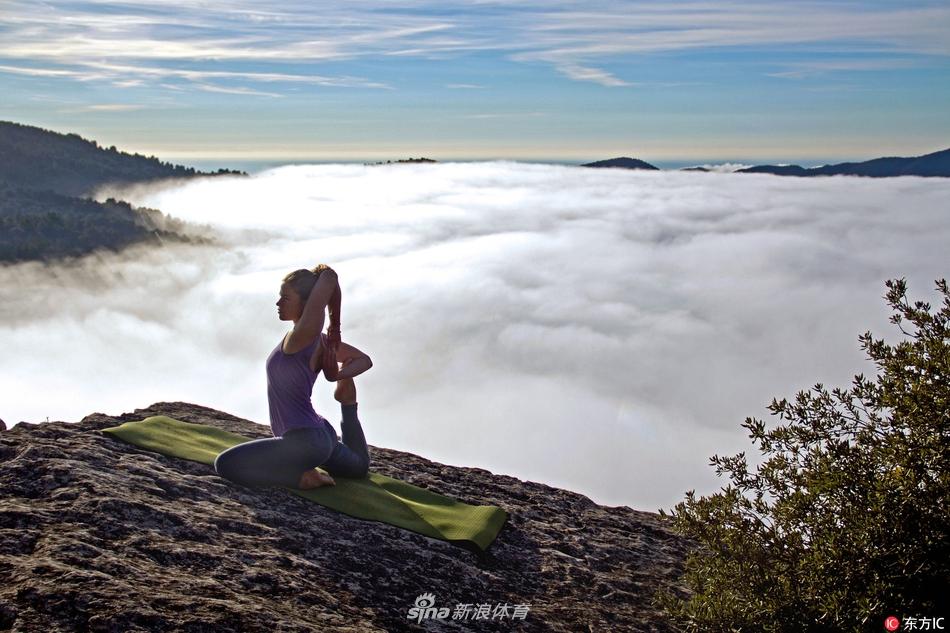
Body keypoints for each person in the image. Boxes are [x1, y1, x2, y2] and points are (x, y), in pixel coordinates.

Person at [214, 265, 373, 491]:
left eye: (285, 298)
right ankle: (348, 405)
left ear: (307, 305)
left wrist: (335, 362)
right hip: (321, 435)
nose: (278, 304)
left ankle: (302, 478)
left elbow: (329, 276)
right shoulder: (317, 340)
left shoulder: (303, 335)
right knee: (357, 468)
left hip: (304, 442)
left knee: (226, 464)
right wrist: (339, 377)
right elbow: (363, 359)